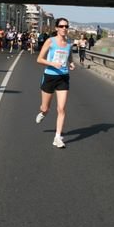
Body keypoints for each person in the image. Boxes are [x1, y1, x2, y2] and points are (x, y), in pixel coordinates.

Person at [35, 18, 76, 148]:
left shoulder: (69, 42)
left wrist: (71, 63)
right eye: (61, 26)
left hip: (63, 77)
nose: (64, 28)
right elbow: (39, 59)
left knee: (61, 108)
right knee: (45, 107)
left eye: (66, 26)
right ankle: (43, 113)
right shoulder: (50, 41)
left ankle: (57, 137)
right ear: (57, 28)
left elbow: (69, 56)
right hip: (50, 77)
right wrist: (52, 63)